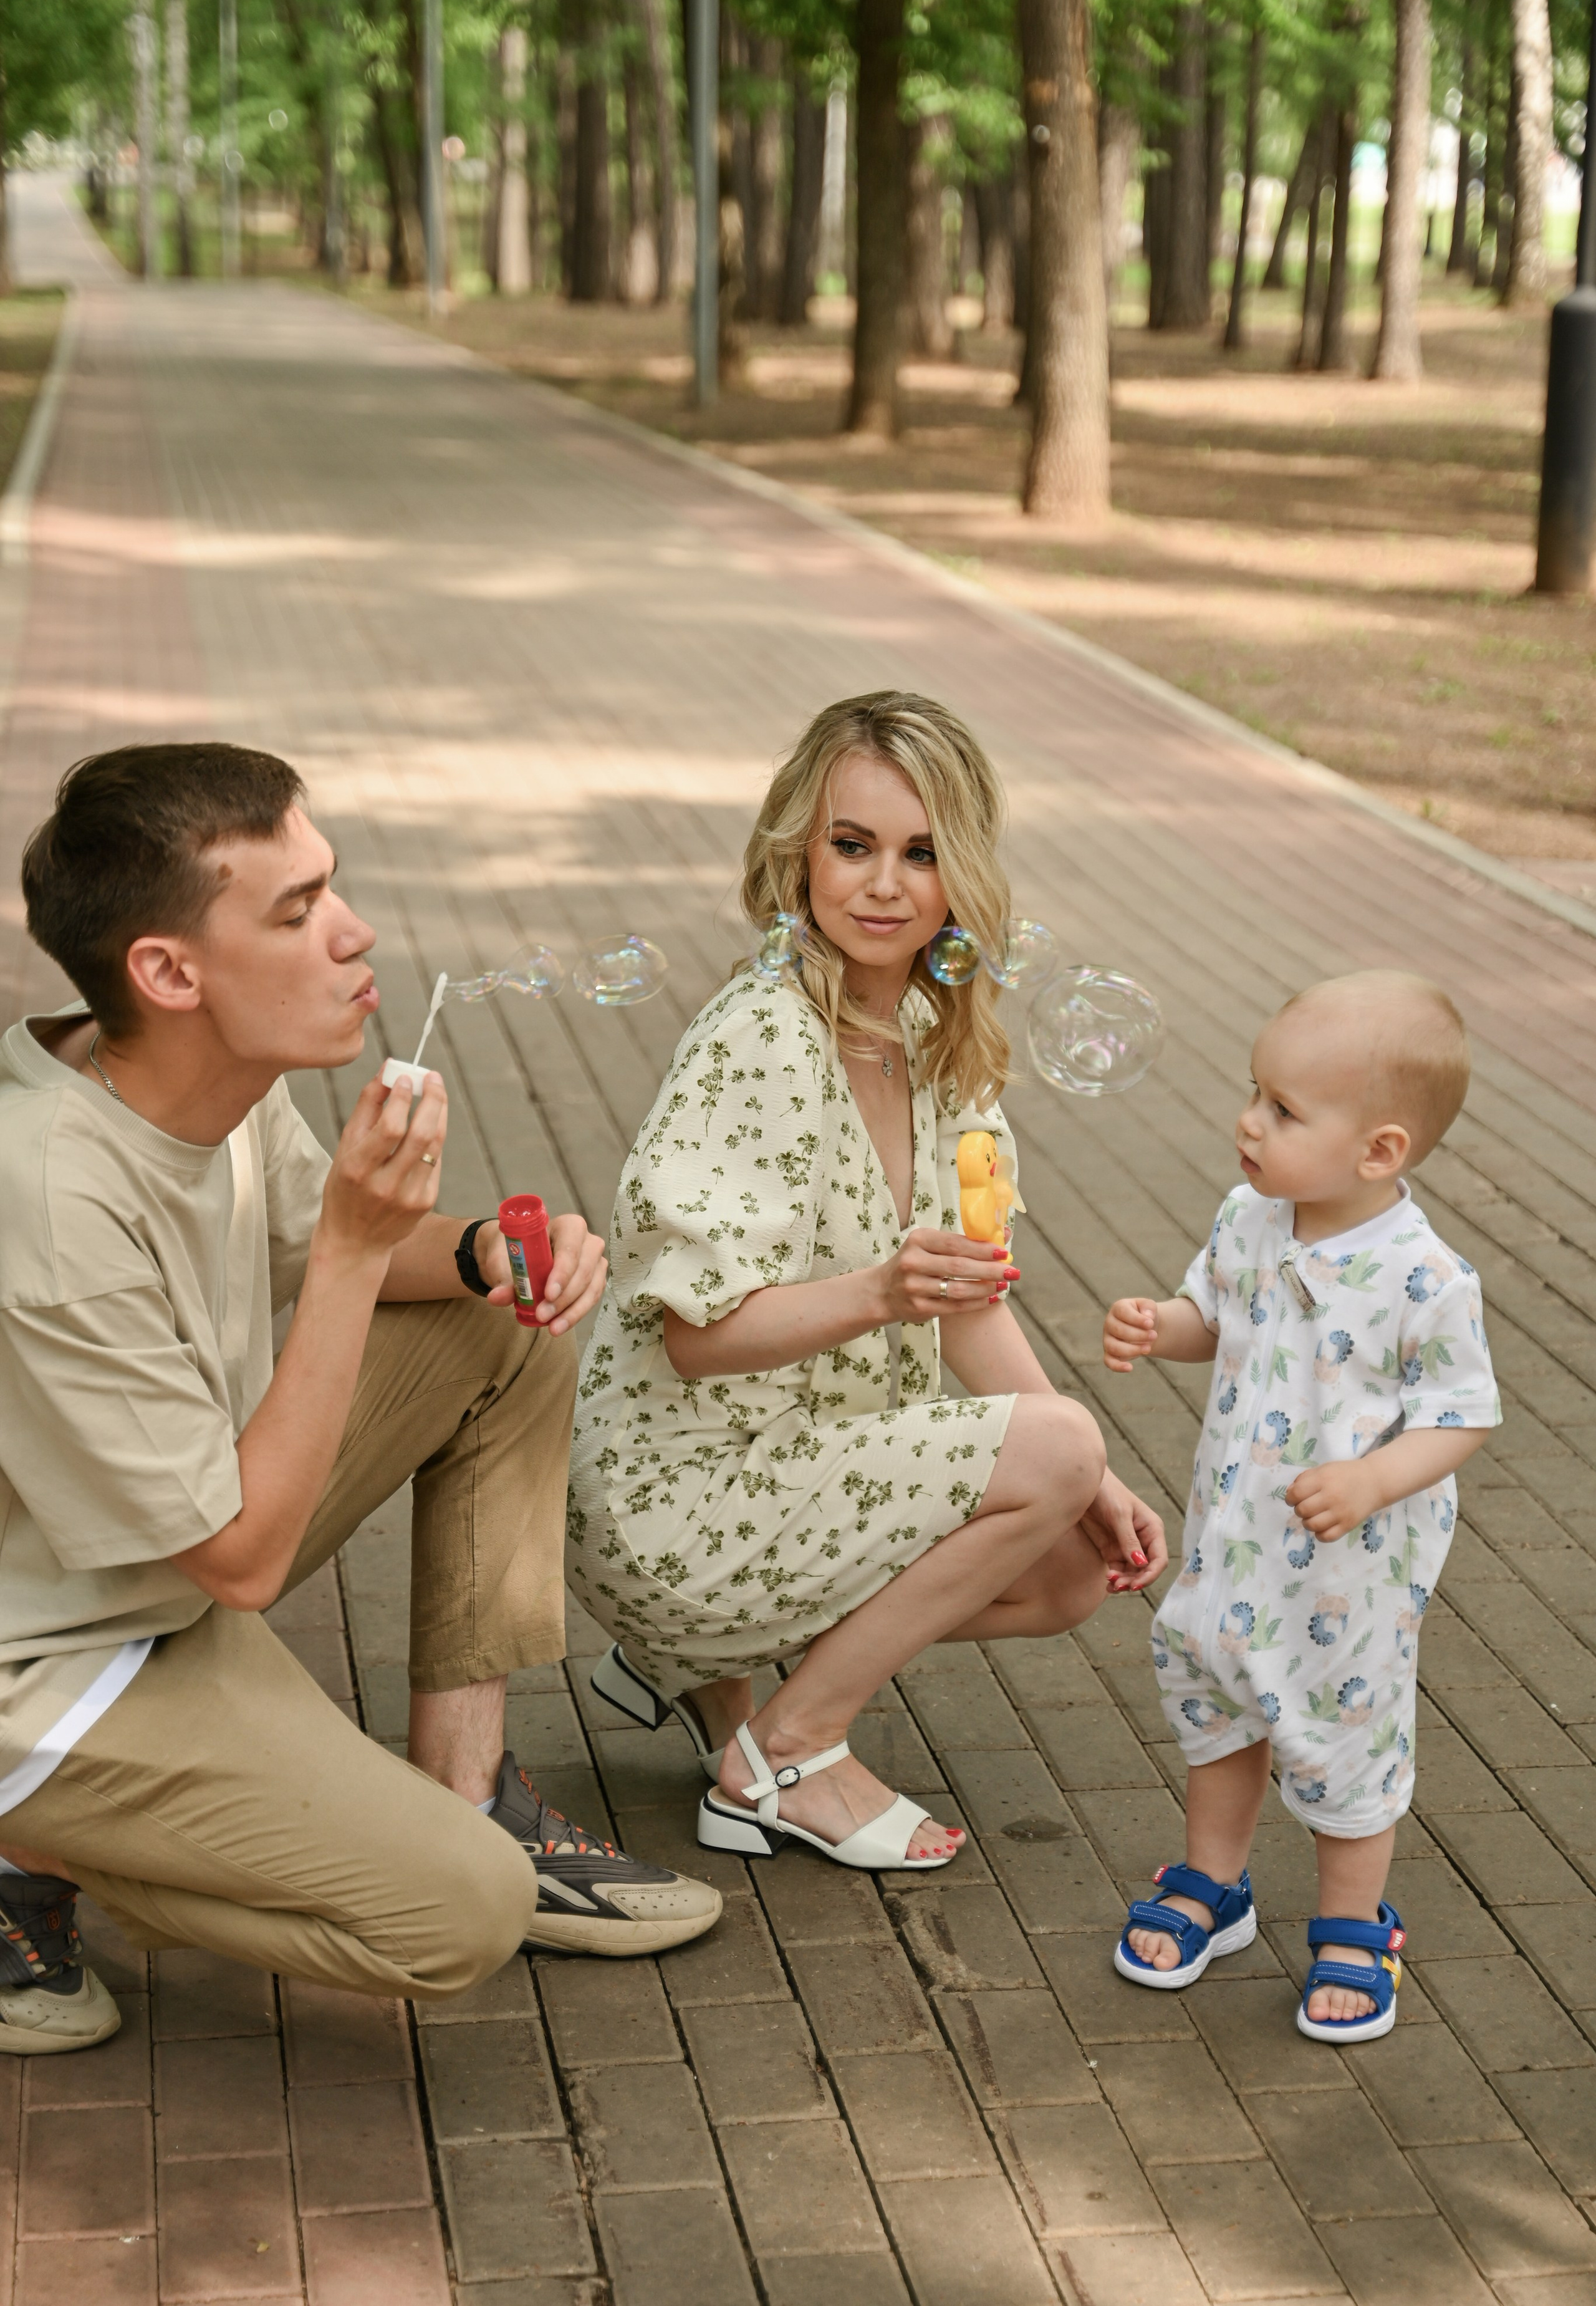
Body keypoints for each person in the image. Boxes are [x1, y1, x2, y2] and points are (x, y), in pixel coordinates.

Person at [0, 743, 721, 2059]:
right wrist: (344, 1249)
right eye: (296, 909)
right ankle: (25, 1838)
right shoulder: (45, 1193)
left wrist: (474, 1253)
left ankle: (467, 1783)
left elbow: (301, 1242)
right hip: (49, 1658)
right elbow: (245, 1560)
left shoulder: (194, 1076)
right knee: (461, 1917)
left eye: (330, 888)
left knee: (498, 1336)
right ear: (169, 971)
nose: (356, 930)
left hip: (169, 1551)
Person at [567, 691, 1168, 1873]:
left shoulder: (937, 1036)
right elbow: (698, 1339)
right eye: (853, 846)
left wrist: (1084, 1470)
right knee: (1056, 1453)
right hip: (678, 1493)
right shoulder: (764, 1041)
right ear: (800, 850)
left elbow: (968, 1296)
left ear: (965, 874)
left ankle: (696, 1668)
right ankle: (785, 1750)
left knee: (1072, 1562)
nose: (884, 885)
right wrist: (888, 1298)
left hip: (798, 1458)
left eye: (922, 852)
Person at [1104, 970, 1498, 2043]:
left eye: (1283, 1109)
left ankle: (1349, 1920)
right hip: (1236, 1542)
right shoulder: (1250, 1217)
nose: (1248, 1120)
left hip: (1348, 1573)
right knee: (1219, 1697)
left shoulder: (1424, 1279)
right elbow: (1214, 1318)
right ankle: (1212, 1883)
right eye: (1254, 1093)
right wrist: (1162, 1325)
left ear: (1379, 1151)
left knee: (1342, 1734)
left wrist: (1373, 1479)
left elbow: (1464, 1416)